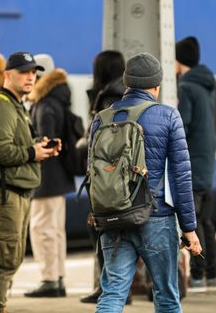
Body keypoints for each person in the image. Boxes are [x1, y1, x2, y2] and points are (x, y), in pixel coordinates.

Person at [91, 53, 201, 313]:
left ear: (126, 84)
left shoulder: (102, 118)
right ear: (156, 86)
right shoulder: (168, 116)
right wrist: (189, 229)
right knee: (166, 296)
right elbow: (180, 176)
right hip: (157, 217)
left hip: (114, 218)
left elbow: (95, 175)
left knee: (112, 294)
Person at [0, 51, 60, 313]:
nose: (30, 77)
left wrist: (40, 148)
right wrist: (31, 153)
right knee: (5, 259)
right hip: (3, 193)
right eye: (24, 72)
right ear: (7, 75)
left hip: (16, 191)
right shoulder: (1, 106)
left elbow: (15, 146)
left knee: (11, 257)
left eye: (33, 73)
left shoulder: (15, 105)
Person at [24, 68, 75, 298]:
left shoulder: (44, 105)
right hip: (60, 177)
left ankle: (49, 279)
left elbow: (46, 143)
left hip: (45, 178)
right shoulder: (59, 100)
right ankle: (58, 277)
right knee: (55, 230)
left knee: (42, 229)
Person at [80, 50, 126, 304]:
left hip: (107, 177)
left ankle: (110, 289)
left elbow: (107, 139)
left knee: (102, 231)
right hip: (114, 175)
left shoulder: (110, 97)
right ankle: (112, 287)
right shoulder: (120, 94)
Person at [175, 36, 216, 290]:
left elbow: (184, 125)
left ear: (180, 61)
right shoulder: (206, 85)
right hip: (207, 161)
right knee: (205, 220)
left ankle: (197, 274)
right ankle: (212, 274)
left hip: (192, 162)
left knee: (192, 221)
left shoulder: (186, 87)